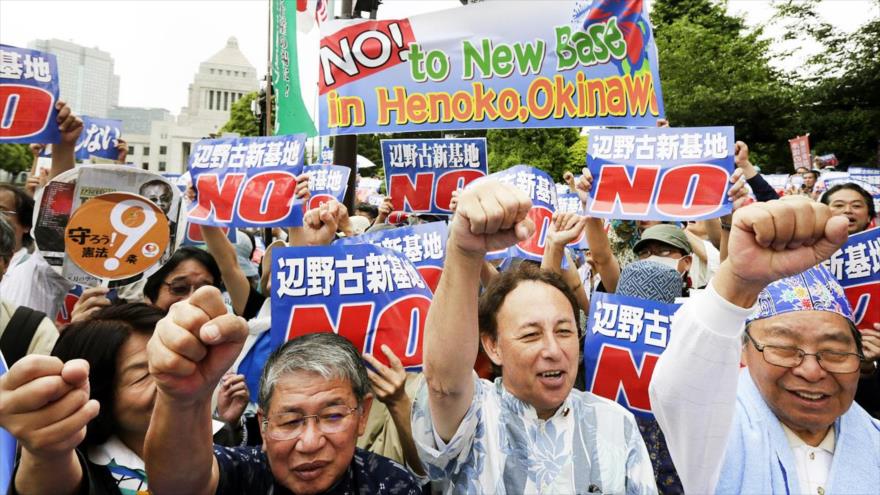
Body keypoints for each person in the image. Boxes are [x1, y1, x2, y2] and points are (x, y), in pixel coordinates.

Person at [412, 179, 657, 493]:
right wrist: (463, 251)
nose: (553, 349)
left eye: (564, 331)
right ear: (492, 345)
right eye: (530, 335)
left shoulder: (615, 422)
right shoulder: (475, 415)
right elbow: (444, 385)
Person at [649, 197, 880, 493]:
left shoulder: (873, 441)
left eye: (834, 352)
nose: (811, 371)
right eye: (784, 348)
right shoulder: (715, 432)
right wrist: (738, 281)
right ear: (744, 351)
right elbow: (679, 391)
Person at [143, 288, 422, 494]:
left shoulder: (390, 483)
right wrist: (181, 400)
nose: (310, 443)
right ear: (263, 425)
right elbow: (179, 485)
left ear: (362, 415)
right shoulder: (245, 474)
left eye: (333, 416)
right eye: (289, 421)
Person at [0, 303, 165, 494]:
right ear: (93, 391)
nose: (172, 381)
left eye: (174, 361)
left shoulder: (206, 433)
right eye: (144, 375)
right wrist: (46, 454)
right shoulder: (87, 473)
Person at [141, 246, 222, 311]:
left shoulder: (223, 330)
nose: (191, 300)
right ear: (153, 292)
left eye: (204, 292)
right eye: (180, 288)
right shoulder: (132, 329)